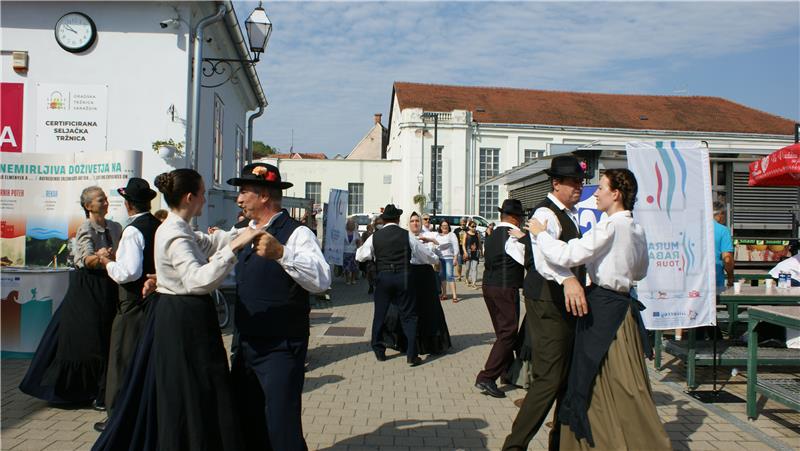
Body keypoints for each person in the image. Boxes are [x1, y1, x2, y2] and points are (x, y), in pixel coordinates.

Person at [94, 169, 267, 451]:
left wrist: (244, 230)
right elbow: (197, 279)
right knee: (189, 391)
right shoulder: (174, 232)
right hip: (181, 320)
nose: (203, 198)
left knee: (196, 388)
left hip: (182, 315)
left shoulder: (180, 227)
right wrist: (235, 247)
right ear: (190, 197)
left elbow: (208, 243)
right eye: (202, 193)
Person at [527, 169, 670, 450]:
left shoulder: (610, 226)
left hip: (603, 310)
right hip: (623, 310)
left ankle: (608, 440)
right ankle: (620, 435)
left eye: (602, 187)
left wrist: (541, 234)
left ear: (615, 194)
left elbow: (567, 254)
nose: (597, 193)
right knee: (620, 379)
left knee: (593, 378)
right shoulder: (635, 228)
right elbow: (640, 272)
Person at [228, 163, 332, 451]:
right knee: (247, 418)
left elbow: (322, 280)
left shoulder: (297, 234)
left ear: (264, 196)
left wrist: (282, 254)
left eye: (244, 191)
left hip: (280, 346)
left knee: (281, 424)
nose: (238, 199)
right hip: (246, 342)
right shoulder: (240, 231)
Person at [503, 155, 589, 451]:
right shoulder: (546, 213)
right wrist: (568, 280)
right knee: (549, 378)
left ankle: (559, 444)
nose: (579, 186)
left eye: (581, 181)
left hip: (560, 302)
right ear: (557, 183)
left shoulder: (569, 213)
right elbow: (542, 259)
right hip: (547, 300)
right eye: (574, 181)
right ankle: (514, 446)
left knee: (563, 376)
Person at [20, 186, 122, 407]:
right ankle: (81, 391)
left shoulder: (115, 227)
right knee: (89, 337)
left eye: (105, 198)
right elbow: (85, 260)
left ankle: (104, 389)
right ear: (88, 206)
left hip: (109, 285)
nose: (105, 202)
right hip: (89, 287)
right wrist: (100, 256)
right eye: (100, 199)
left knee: (107, 335)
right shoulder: (86, 228)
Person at [93, 178, 160, 433]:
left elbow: (128, 273)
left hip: (132, 303)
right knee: (143, 359)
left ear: (128, 204)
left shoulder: (133, 230)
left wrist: (106, 262)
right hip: (152, 300)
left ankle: (118, 418)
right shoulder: (157, 225)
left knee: (122, 359)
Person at [356, 204, 438, 366]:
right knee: (409, 316)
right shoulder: (406, 235)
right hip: (404, 277)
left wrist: (373, 262)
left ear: (384, 220)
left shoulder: (375, 237)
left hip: (383, 277)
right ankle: (411, 354)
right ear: (398, 219)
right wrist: (435, 260)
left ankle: (379, 350)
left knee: (380, 314)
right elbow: (424, 254)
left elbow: (360, 256)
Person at [380, 212, 452, 355]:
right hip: (409, 274)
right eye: (412, 221)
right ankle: (408, 343)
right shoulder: (404, 236)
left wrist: (432, 243)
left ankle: (432, 344)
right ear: (408, 223)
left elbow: (441, 252)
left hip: (426, 275)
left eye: (418, 220)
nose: (415, 223)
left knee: (430, 309)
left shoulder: (430, 236)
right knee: (409, 310)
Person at [475, 199, 526, 399]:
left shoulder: (493, 234)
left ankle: (506, 372)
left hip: (489, 285)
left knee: (502, 331)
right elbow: (525, 259)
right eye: (521, 217)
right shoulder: (512, 237)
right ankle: (487, 377)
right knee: (508, 332)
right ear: (515, 218)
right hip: (505, 288)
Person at [435, 220, 461, 302]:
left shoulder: (451, 235)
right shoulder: (437, 235)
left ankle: (454, 296)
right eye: (443, 225)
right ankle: (444, 294)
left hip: (449, 258)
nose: (444, 227)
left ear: (448, 226)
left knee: (450, 276)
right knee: (442, 276)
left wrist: (455, 257)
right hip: (440, 258)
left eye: (446, 225)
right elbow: (435, 247)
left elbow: (456, 246)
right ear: (440, 227)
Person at [713, 201, 735, 292]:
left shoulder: (697, 228)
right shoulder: (723, 231)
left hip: (695, 281)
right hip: (716, 280)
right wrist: (730, 277)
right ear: (720, 214)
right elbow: (727, 259)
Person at [462, 221, 482, 288]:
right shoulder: (466, 234)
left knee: (474, 268)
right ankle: (467, 279)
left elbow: (479, 244)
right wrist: (465, 252)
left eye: (475, 226)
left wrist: (481, 251)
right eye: (472, 226)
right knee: (467, 268)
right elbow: (463, 245)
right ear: (469, 226)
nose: (474, 228)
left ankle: (474, 283)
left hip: (475, 253)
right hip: (468, 253)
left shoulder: (477, 234)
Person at [343, 218, 361, 285]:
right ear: (347, 225)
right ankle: (347, 279)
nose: (351, 225)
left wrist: (359, 248)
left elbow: (359, 242)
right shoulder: (343, 232)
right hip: (345, 252)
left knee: (354, 267)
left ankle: (353, 279)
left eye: (352, 224)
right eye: (350, 224)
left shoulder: (356, 233)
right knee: (346, 267)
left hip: (354, 252)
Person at [453, 216, 469, 281]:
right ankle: (459, 276)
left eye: (464, 222)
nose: (463, 223)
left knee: (467, 265)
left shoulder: (468, 230)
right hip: (459, 249)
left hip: (466, 249)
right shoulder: (456, 230)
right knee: (459, 264)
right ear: (460, 222)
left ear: (466, 222)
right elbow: (453, 240)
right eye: (462, 222)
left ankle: (466, 278)